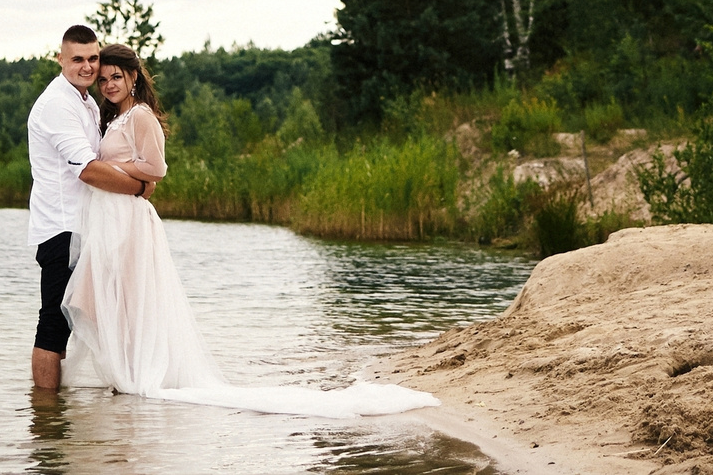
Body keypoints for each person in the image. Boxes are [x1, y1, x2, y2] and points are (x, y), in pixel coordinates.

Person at [57, 41, 440, 420]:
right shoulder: (112, 118)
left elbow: (157, 170)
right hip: (110, 221)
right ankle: (123, 371)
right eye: (105, 78)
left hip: (130, 221)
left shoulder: (141, 116)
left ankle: (135, 374)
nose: (109, 85)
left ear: (134, 78)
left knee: (127, 299)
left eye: (116, 77)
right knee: (97, 299)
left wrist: (120, 172)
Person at [26, 25, 153, 392]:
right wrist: (141, 187)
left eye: (92, 58)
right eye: (77, 59)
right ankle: (47, 422)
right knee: (54, 324)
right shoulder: (57, 105)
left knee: (101, 316)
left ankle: (94, 402)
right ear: (61, 59)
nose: (87, 66)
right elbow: (86, 169)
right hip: (62, 230)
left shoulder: (84, 100)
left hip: (88, 229)